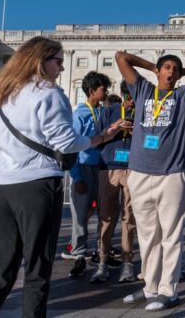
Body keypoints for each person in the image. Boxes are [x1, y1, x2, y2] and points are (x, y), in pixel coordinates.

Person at [0, 37, 123, 317]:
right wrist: (100, 137)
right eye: (58, 61)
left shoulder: (2, 94)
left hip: (3, 185)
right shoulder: (48, 93)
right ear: (40, 61)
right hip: (37, 185)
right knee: (37, 269)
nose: (62, 68)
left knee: (0, 269)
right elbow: (66, 143)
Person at [115, 50, 185, 311]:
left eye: (175, 68)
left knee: (171, 236)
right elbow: (120, 57)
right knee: (148, 235)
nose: (171, 72)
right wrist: (152, 66)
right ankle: (150, 286)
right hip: (139, 172)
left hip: (171, 174)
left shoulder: (183, 96)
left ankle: (168, 290)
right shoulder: (142, 90)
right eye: (167, 68)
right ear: (159, 71)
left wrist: (183, 72)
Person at [64, 71, 113, 278]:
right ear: (92, 91)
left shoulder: (100, 111)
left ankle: (98, 251)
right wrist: (76, 177)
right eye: (103, 88)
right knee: (80, 215)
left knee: (100, 213)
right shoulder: (80, 114)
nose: (106, 91)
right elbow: (72, 146)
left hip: (99, 167)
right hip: (83, 168)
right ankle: (78, 255)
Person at [91, 81, 138, 284]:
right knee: (106, 217)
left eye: (134, 98)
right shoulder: (108, 112)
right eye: (128, 98)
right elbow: (95, 138)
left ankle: (127, 262)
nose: (131, 102)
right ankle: (103, 261)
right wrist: (114, 127)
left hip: (132, 167)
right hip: (108, 167)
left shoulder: (143, 112)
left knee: (130, 217)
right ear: (122, 95)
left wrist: (138, 132)